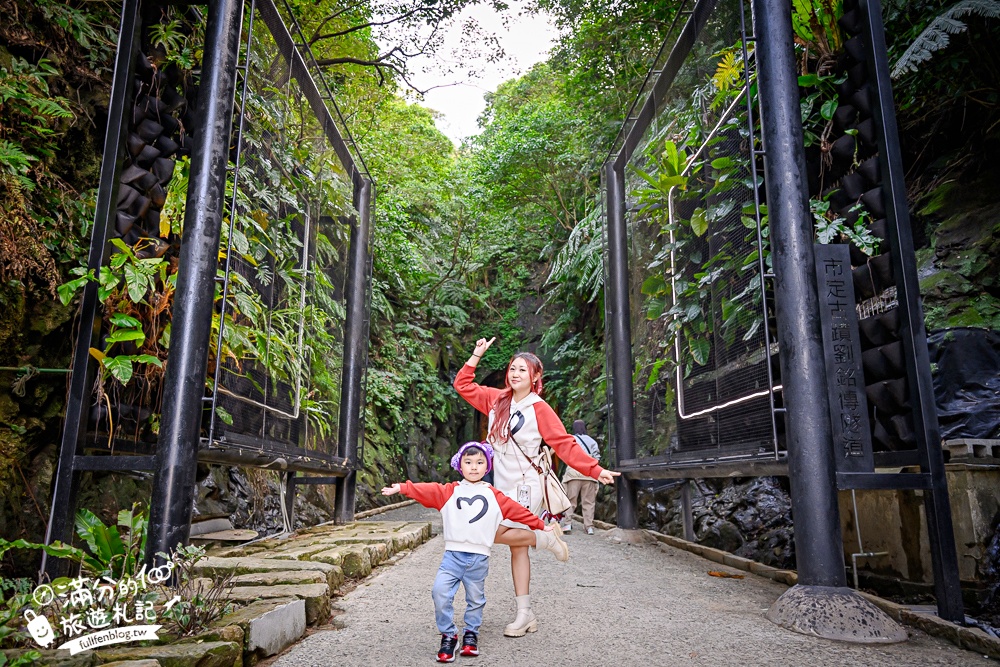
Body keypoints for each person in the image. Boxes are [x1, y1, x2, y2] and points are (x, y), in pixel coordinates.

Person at [453, 337, 621, 637]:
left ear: (535, 377)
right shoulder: (496, 400)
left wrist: (595, 470)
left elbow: (564, 444)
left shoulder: (539, 408)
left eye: (522, 370)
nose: (515, 374)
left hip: (526, 487)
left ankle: (541, 549)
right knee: (515, 546)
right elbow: (463, 385)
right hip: (501, 485)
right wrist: (477, 354)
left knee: (495, 536)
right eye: (512, 369)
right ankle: (527, 605)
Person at [381, 441, 565, 662]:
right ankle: (449, 634)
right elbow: (428, 489)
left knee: (475, 599)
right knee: (439, 592)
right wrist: (403, 488)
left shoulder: (494, 495)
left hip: (479, 558)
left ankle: (471, 633)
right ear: (460, 465)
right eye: (468, 462)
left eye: (480, 462)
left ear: (487, 467)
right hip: (452, 556)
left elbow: (517, 512)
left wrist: (541, 525)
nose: (474, 467)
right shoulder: (450, 491)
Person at [560, 420, 601, 535]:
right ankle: (589, 527)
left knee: (570, 500)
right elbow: (597, 458)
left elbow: (565, 455)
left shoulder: (570, 440)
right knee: (589, 502)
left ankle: (567, 524)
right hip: (589, 475)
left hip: (573, 474)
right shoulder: (592, 441)